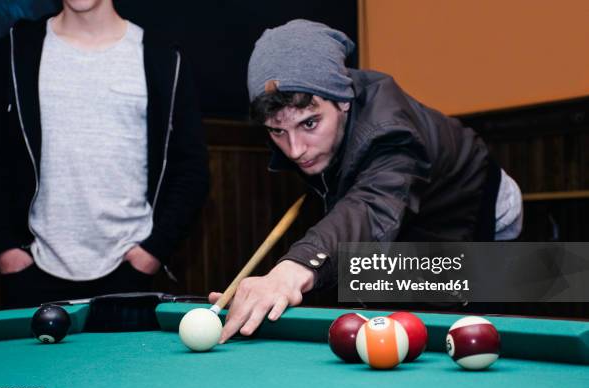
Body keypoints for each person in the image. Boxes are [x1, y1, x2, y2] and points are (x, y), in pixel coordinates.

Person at [209, 19, 522, 342]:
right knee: (365, 282)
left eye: (310, 124)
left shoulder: (391, 133)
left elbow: (371, 207)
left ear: (343, 100)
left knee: (456, 322)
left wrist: (291, 271)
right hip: (404, 210)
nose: (295, 150)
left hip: (470, 200)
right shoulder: (302, 114)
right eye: (277, 131)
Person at [0, 0, 208, 309]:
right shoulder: (16, 49)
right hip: (31, 271)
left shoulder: (161, 56)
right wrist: (4, 248)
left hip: (130, 272)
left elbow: (192, 168)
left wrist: (152, 252)